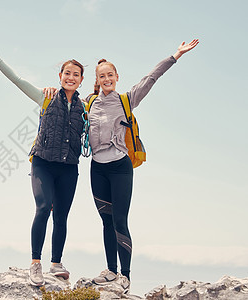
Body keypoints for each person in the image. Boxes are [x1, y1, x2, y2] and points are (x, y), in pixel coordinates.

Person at [87, 39, 199, 293]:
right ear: (97, 79)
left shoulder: (127, 99)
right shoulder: (89, 103)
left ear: (117, 77)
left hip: (120, 167)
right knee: (105, 221)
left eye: (110, 75)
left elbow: (151, 77)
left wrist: (176, 55)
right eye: (101, 76)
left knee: (120, 221)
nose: (106, 79)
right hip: (97, 168)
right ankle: (110, 271)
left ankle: (125, 275)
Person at [0, 36, 87, 287]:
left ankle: (56, 263)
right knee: (43, 207)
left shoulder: (85, 106)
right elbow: (17, 80)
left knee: (62, 216)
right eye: (67, 73)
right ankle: (36, 263)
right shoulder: (45, 97)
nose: (71, 77)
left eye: (76, 74)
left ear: (81, 80)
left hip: (69, 167)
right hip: (43, 164)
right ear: (60, 76)